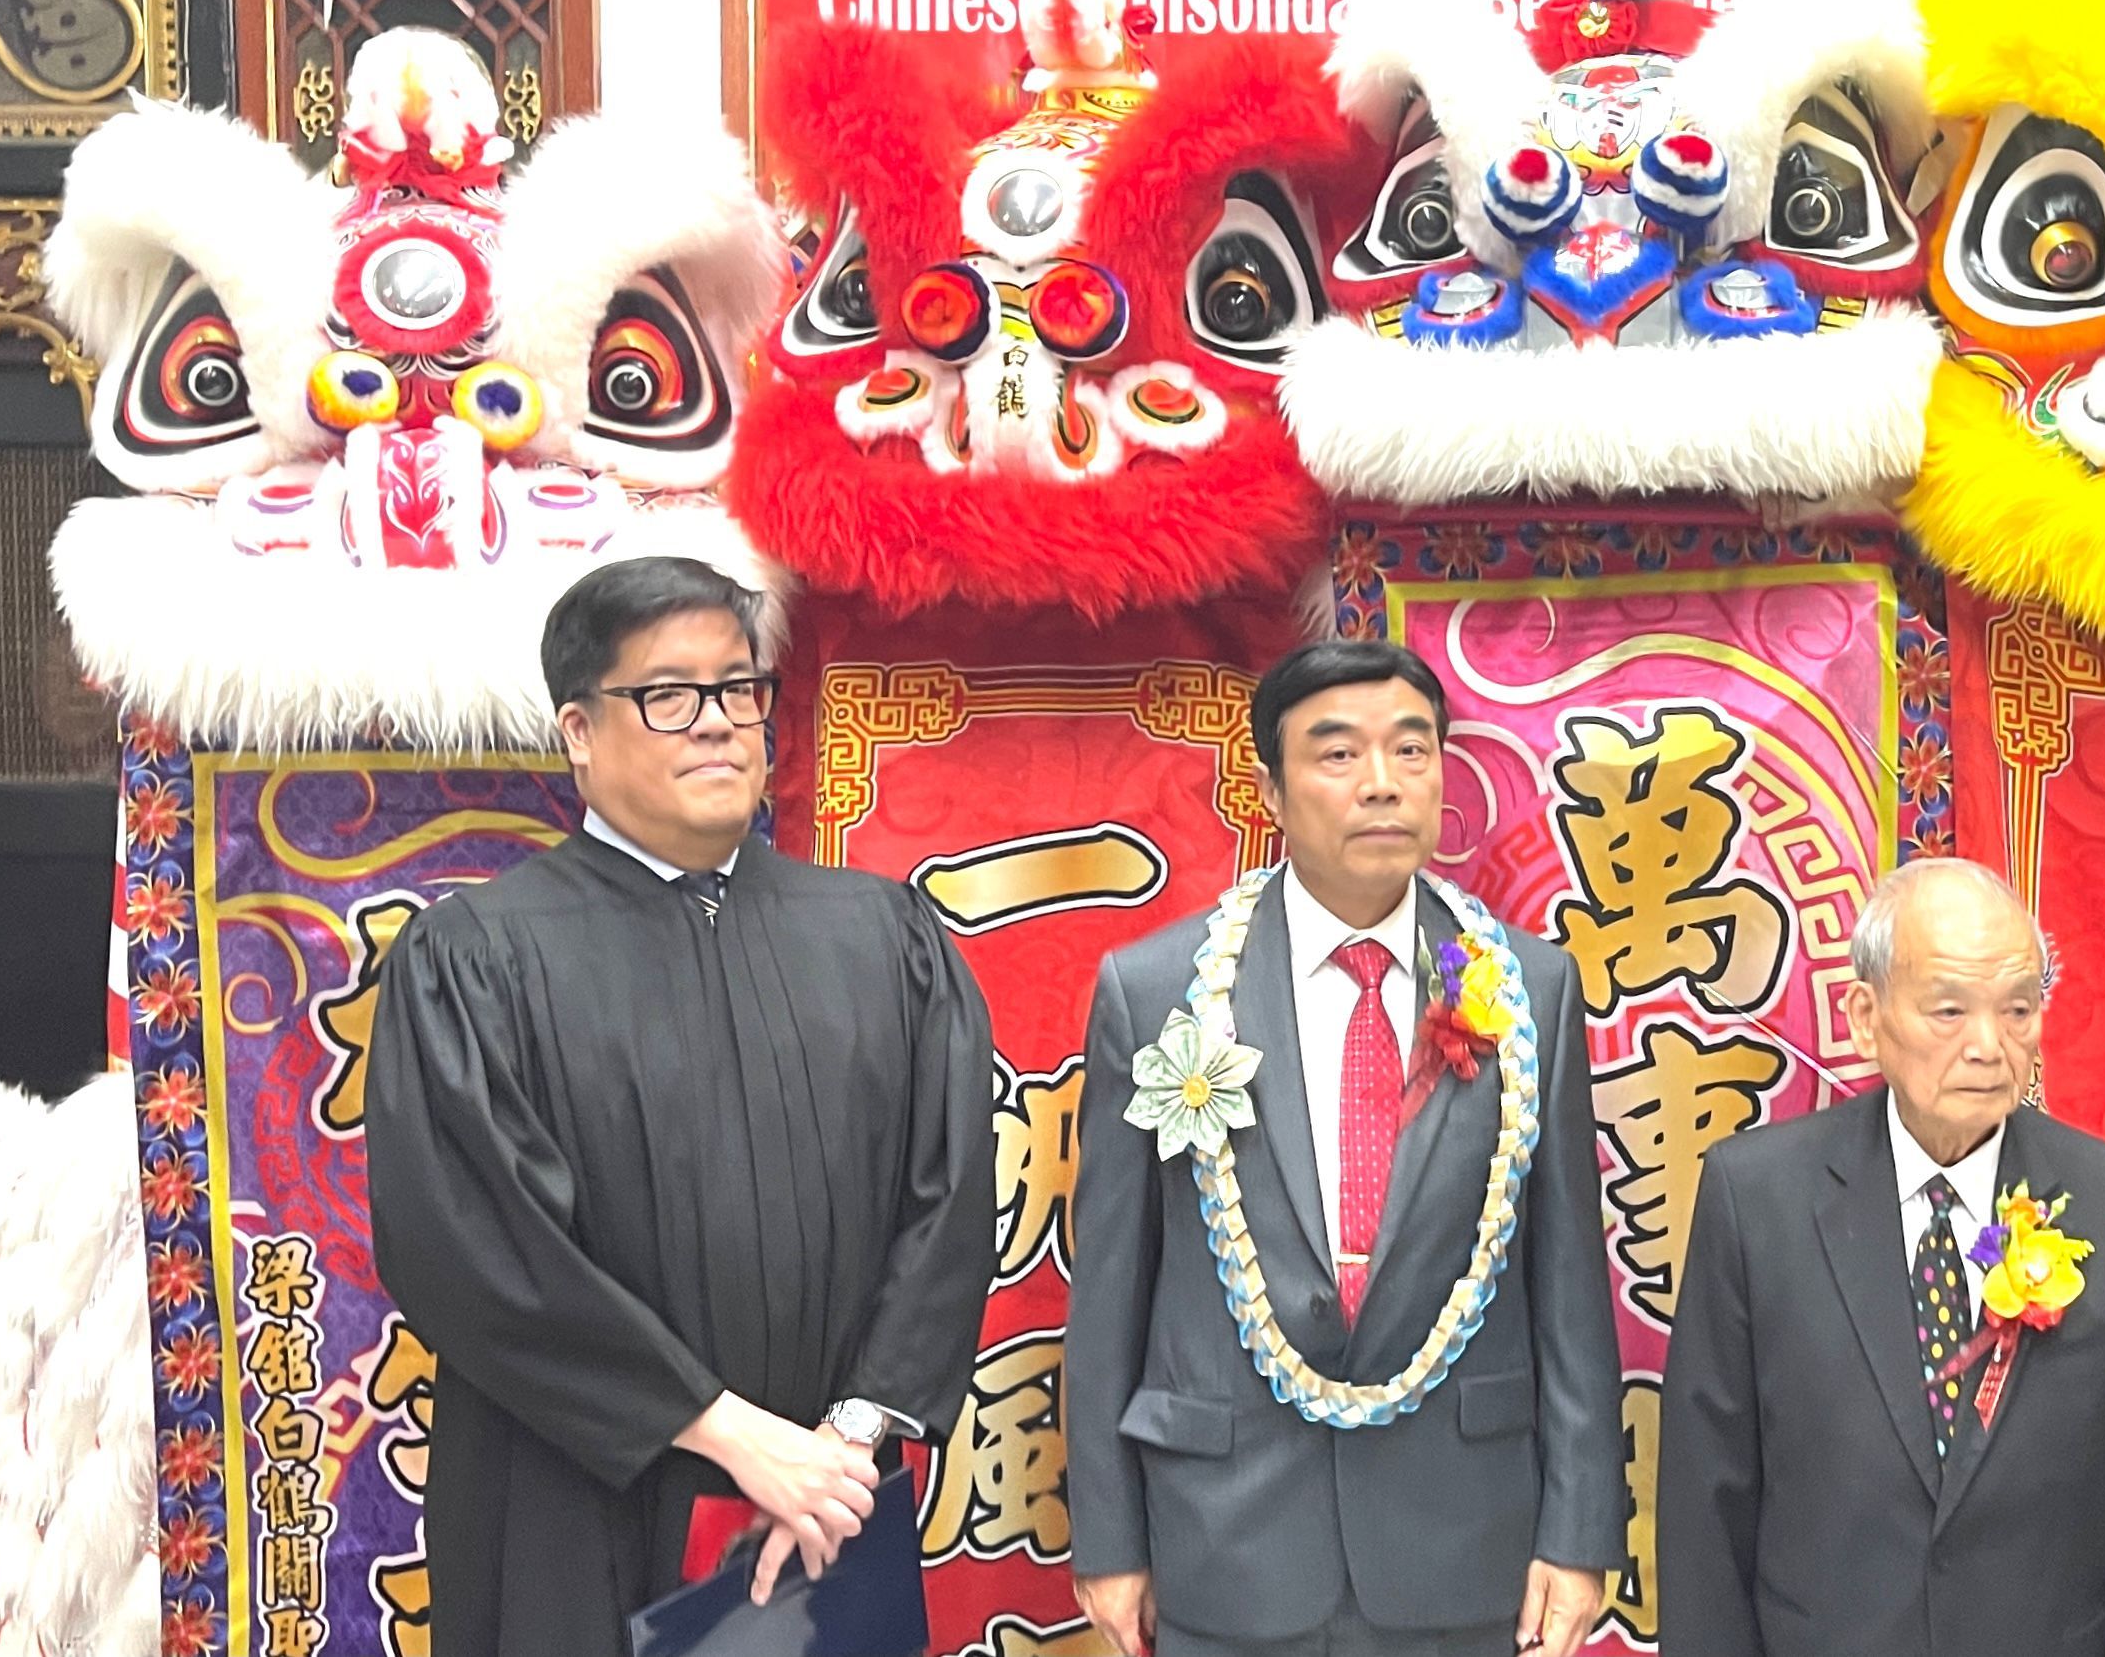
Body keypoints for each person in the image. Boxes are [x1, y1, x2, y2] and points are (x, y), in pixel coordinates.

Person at [366, 556, 997, 1656]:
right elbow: (474, 1247)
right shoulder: (479, 957)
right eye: (666, 695)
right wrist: (733, 1433)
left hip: (821, 1504)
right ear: (577, 730)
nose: (714, 724)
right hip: (567, 1496)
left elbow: (947, 1197)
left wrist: (846, 1439)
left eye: (737, 689)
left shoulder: (878, 937)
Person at [1067, 639, 1625, 1657]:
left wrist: (1582, 1529)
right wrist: (1107, 1540)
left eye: (1411, 751)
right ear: (1271, 789)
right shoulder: (1156, 993)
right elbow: (1110, 1288)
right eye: (1337, 755)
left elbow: (1569, 1283)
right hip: (1224, 1539)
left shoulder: (1528, 988)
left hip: (1463, 1538)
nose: (1381, 784)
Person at [1659, 858, 2105, 1657]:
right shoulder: (1756, 1201)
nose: (1989, 1046)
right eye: (1949, 1009)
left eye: (2018, 1009)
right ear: (1863, 1014)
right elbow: (1707, 1502)